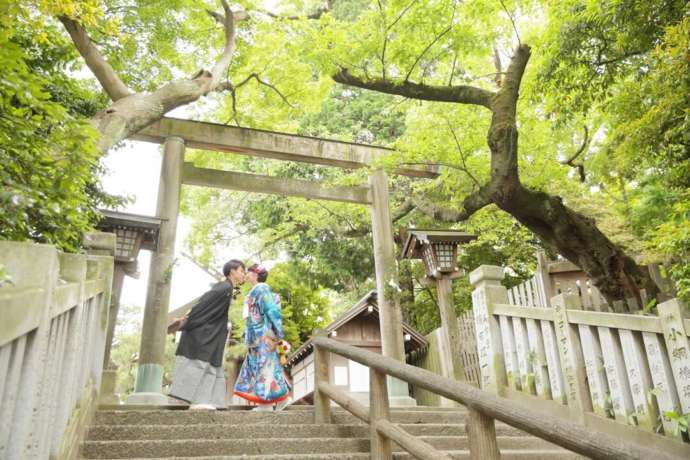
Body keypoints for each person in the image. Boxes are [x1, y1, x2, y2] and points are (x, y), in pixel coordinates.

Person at [169, 259, 245, 410]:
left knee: (212, 366)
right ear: (232, 271)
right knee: (199, 363)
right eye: (242, 271)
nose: (244, 274)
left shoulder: (228, 288)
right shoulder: (223, 288)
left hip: (213, 334)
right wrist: (186, 320)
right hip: (204, 333)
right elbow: (202, 304)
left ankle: (210, 401)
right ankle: (191, 400)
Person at [233, 264, 291, 410]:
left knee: (264, 367)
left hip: (263, 335)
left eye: (249, 272)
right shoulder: (256, 290)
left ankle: (266, 404)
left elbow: (272, 310)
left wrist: (278, 333)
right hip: (257, 336)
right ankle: (283, 400)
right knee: (268, 366)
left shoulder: (262, 288)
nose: (246, 274)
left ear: (255, 275)